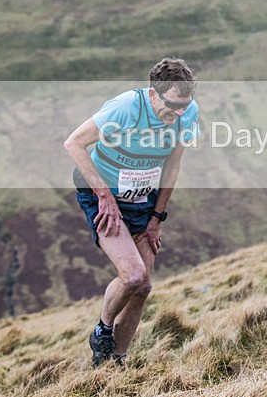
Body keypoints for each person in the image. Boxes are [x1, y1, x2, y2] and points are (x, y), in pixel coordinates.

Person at [64, 58, 199, 367]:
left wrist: (157, 218)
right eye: (173, 105)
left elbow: (173, 165)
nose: (179, 113)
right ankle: (102, 330)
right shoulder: (125, 108)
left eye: (185, 106)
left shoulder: (187, 113)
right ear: (154, 94)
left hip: (143, 199)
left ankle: (115, 362)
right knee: (134, 275)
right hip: (101, 195)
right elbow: (73, 144)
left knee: (144, 287)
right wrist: (104, 197)